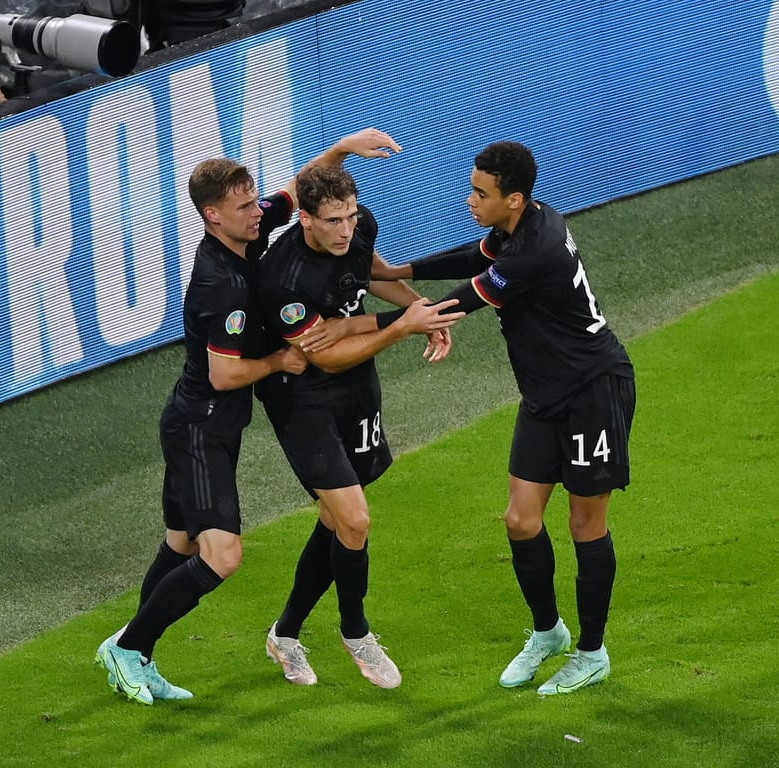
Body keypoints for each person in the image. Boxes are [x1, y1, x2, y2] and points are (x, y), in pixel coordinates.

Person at [94, 129, 404, 705]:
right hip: (201, 427)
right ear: (212, 216)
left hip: (212, 424)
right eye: (244, 207)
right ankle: (128, 648)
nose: (259, 213)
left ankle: (137, 651)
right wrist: (281, 358)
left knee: (182, 544)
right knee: (222, 555)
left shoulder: (247, 230)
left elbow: (294, 191)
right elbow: (224, 375)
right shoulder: (224, 283)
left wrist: (341, 147)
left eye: (254, 199)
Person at [378, 141, 635, 695]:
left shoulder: (535, 250)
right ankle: (548, 632)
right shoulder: (523, 225)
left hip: (592, 390)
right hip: (544, 395)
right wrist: (400, 270)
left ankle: (592, 652)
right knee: (520, 521)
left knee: (585, 524)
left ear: (513, 199)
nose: (470, 200)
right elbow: (478, 257)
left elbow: (468, 298)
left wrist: (384, 323)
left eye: (480, 193)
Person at [254, 162, 464, 690]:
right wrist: (402, 327)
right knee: (355, 519)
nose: (347, 229)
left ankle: (285, 634)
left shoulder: (358, 227)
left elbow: (369, 276)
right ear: (305, 219)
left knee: (337, 519)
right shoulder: (282, 279)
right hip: (302, 399)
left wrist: (424, 311)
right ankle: (356, 633)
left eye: (350, 215)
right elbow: (325, 356)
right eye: (333, 221)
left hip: (357, 389)